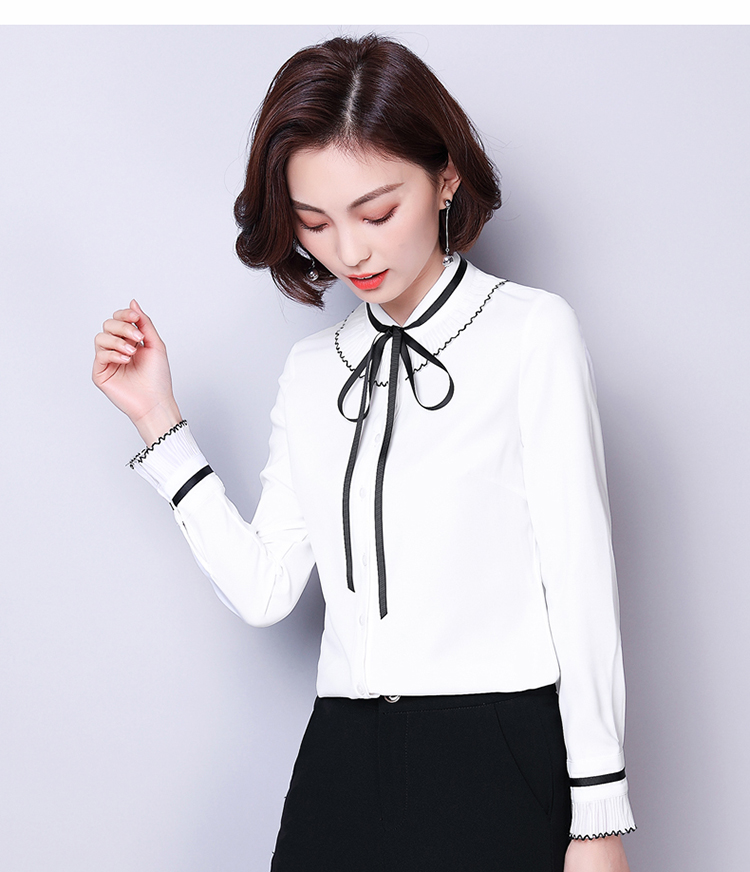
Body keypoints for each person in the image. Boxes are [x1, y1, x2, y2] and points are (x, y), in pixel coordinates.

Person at [93, 34, 635, 872]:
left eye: (376, 213)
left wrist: (597, 813)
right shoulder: (314, 370)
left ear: (445, 178)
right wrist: (159, 422)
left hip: (494, 753)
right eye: (315, 223)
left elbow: (580, 579)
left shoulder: (531, 333)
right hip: (342, 756)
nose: (348, 253)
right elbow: (266, 588)